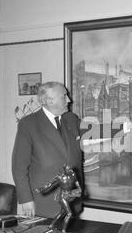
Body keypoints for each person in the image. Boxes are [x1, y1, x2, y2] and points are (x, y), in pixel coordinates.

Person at [12, 81, 84, 218]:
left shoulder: (72, 119)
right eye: (64, 96)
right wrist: (26, 199)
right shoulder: (28, 124)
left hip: (72, 200)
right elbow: (18, 167)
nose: (69, 100)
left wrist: (124, 128)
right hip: (45, 202)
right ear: (50, 101)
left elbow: (91, 135)